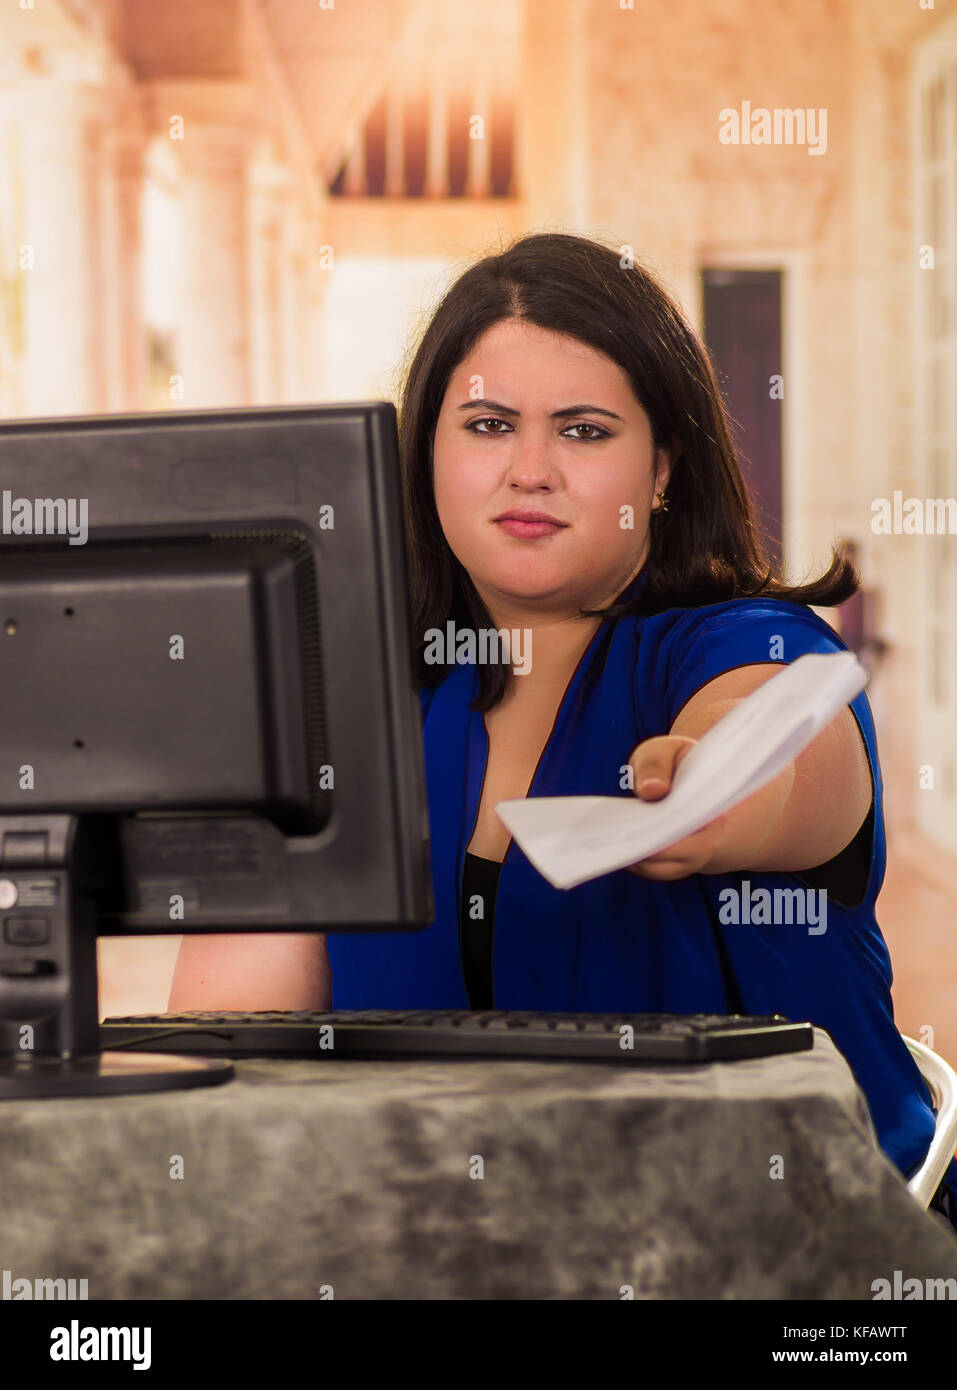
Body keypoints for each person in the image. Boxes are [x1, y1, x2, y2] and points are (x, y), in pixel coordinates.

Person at [170, 231, 957, 1231]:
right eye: (489, 424)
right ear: (426, 457)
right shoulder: (360, 706)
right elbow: (225, 1054)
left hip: (789, 1270)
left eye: (584, 431)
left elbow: (780, 744)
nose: (530, 469)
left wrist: (709, 782)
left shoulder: (742, 641)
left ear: (663, 468)